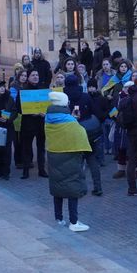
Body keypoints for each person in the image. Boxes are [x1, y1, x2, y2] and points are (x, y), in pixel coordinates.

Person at [45, 91, 91, 232]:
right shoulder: (69, 120)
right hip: (69, 156)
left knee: (57, 187)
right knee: (72, 188)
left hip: (53, 154)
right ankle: (74, 222)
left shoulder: (48, 117)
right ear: (65, 104)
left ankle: (59, 218)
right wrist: (75, 120)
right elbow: (80, 133)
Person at [65, 74, 101, 196]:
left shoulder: (65, 98)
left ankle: (80, 188)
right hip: (88, 132)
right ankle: (98, 187)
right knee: (92, 160)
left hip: (72, 133)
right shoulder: (86, 96)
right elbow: (95, 112)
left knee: (77, 162)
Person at [18, 69, 48, 179]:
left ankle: (42, 170)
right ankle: (25, 171)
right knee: (26, 148)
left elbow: (47, 105)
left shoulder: (43, 89)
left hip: (41, 122)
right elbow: (19, 108)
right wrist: (31, 113)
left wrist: (44, 112)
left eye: (37, 75)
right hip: (28, 123)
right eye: (33, 75)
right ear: (29, 77)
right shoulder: (23, 90)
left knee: (41, 147)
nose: (35, 77)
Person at [87, 78, 111, 166]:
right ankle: (91, 160)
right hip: (89, 123)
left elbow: (107, 110)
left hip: (100, 122)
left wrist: (103, 116)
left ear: (96, 88)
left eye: (93, 87)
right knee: (90, 143)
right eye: (89, 87)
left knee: (100, 143)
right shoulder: (86, 98)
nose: (91, 89)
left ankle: (101, 160)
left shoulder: (101, 98)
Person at [9, 69, 28, 168]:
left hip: (25, 115)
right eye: (22, 75)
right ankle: (18, 161)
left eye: (25, 76)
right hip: (17, 116)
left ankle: (25, 159)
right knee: (17, 140)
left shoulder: (27, 86)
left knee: (25, 139)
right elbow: (13, 99)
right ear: (18, 76)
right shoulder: (13, 86)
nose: (24, 77)